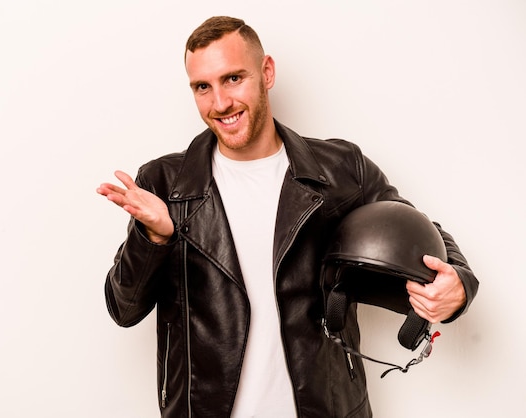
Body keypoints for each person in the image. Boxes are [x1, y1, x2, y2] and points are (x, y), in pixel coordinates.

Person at [96, 16, 478, 418]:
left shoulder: (341, 169)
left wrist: (458, 288)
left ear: (267, 72)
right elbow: (124, 309)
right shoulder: (164, 182)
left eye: (233, 79)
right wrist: (154, 237)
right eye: (202, 87)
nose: (220, 103)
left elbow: (419, 231)